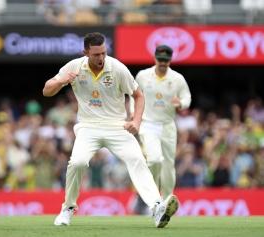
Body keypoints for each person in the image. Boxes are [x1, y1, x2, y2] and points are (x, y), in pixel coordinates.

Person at [42, 32, 178, 228]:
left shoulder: (117, 68)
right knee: (78, 162)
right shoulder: (74, 66)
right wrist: (61, 81)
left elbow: (138, 96)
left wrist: (136, 121)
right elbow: (47, 90)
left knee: (137, 160)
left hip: (117, 125)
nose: (101, 58)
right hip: (88, 126)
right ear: (85, 53)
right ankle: (68, 208)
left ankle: (157, 207)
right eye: (96, 54)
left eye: (104, 53)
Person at [133, 44, 191, 199]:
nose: (162, 63)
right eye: (160, 60)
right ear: (155, 58)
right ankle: (152, 196)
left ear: (170, 60)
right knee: (154, 160)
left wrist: (181, 103)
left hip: (168, 125)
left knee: (168, 165)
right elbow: (135, 96)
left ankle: (166, 200)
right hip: (148, 124)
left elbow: (187, 97)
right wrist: (135, 117)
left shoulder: (177, 79)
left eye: (165, 60)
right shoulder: (143, 75)